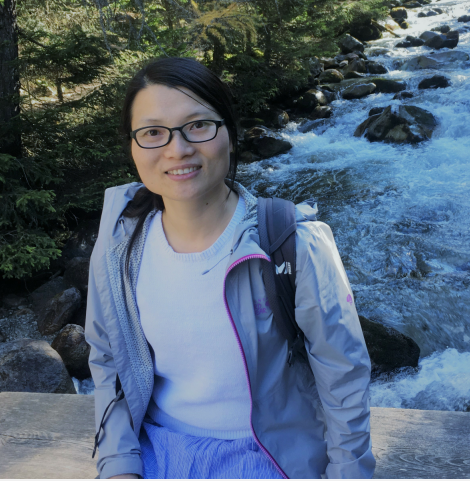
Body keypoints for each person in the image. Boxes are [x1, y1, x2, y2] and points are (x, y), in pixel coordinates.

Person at [85, 57, 375, 479]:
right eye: (152, 133)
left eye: (198, 125)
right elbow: (108, 358)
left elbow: (343, 373)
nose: (178, 149)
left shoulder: (293, 242)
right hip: (155, 452)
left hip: (270, 457)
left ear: (231, 134)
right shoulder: (118, 242)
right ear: (132, 145)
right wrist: (119, 466)